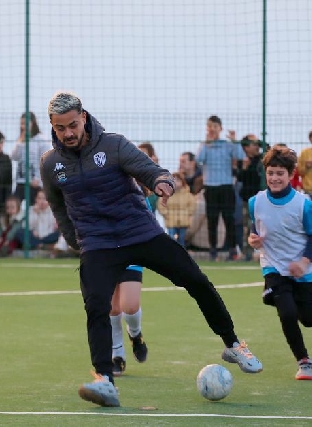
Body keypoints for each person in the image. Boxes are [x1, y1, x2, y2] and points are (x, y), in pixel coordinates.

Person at [40, 91, 262, 408]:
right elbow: (57, 206)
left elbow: (149, 169)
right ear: (52, 126)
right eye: (61, 128)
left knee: (196, 280)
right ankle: (104, 379)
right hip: (98, 243)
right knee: (96, 306)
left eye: (73, 125)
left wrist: (161, 182)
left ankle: (233, 343)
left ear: (84, 117)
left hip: (140, 233)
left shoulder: (113, 145)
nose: (69, 133)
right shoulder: (51, 163)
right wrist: (77, 241)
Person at [248, 146, 312, 380]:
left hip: (303, 271)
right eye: (270, 173)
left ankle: (275, 294)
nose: (274, 178)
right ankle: (304, 362)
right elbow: (255, 231)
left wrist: (304, 262)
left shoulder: (303, 204)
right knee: (286, 313)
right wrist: (252, 240)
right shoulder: (255, 202)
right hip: (273, 266)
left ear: (290, 174)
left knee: (307, 318)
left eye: (280, 173)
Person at [196, 116, 244, 261]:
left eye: (215, 126)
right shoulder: (204, 145)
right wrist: (206, 144)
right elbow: (198, 160)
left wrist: (235, 140)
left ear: (220, 128)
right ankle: (213, 250)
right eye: (209, 126)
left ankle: (232, 249)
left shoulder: (228, 145)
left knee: (229, 218)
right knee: (212, 220)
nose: (212, 129)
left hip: (226, 186)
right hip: (210, 186)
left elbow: (240, 156)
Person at [10, 112, 51, 204]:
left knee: (32, 209)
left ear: (33, 123)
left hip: (34, 182)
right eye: (22, 124)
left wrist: (38, 178)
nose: (23, 126)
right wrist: (20, 142)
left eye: (26, 123)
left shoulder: (41, 139)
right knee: (15, 206)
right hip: (21, 180)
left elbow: (44, 161)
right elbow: (14, 157)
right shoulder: (21, 139)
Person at [157, 172, 196, 247]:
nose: (176, 182)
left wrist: (188, 213)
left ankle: (182, 255)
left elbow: (192, 205)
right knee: (171, 238)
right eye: (174, 180)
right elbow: (161, 204)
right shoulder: (167, 194)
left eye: (178, 180)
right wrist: (165, 213)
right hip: (171, 220)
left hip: (183, 220)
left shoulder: (187, 194)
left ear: (182, 182)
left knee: (182, 239)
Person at [297, 130, 312, 197]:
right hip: (308, 189)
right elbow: (299, 172)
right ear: (310, 138)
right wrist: (306, 167)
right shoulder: (304, 153)